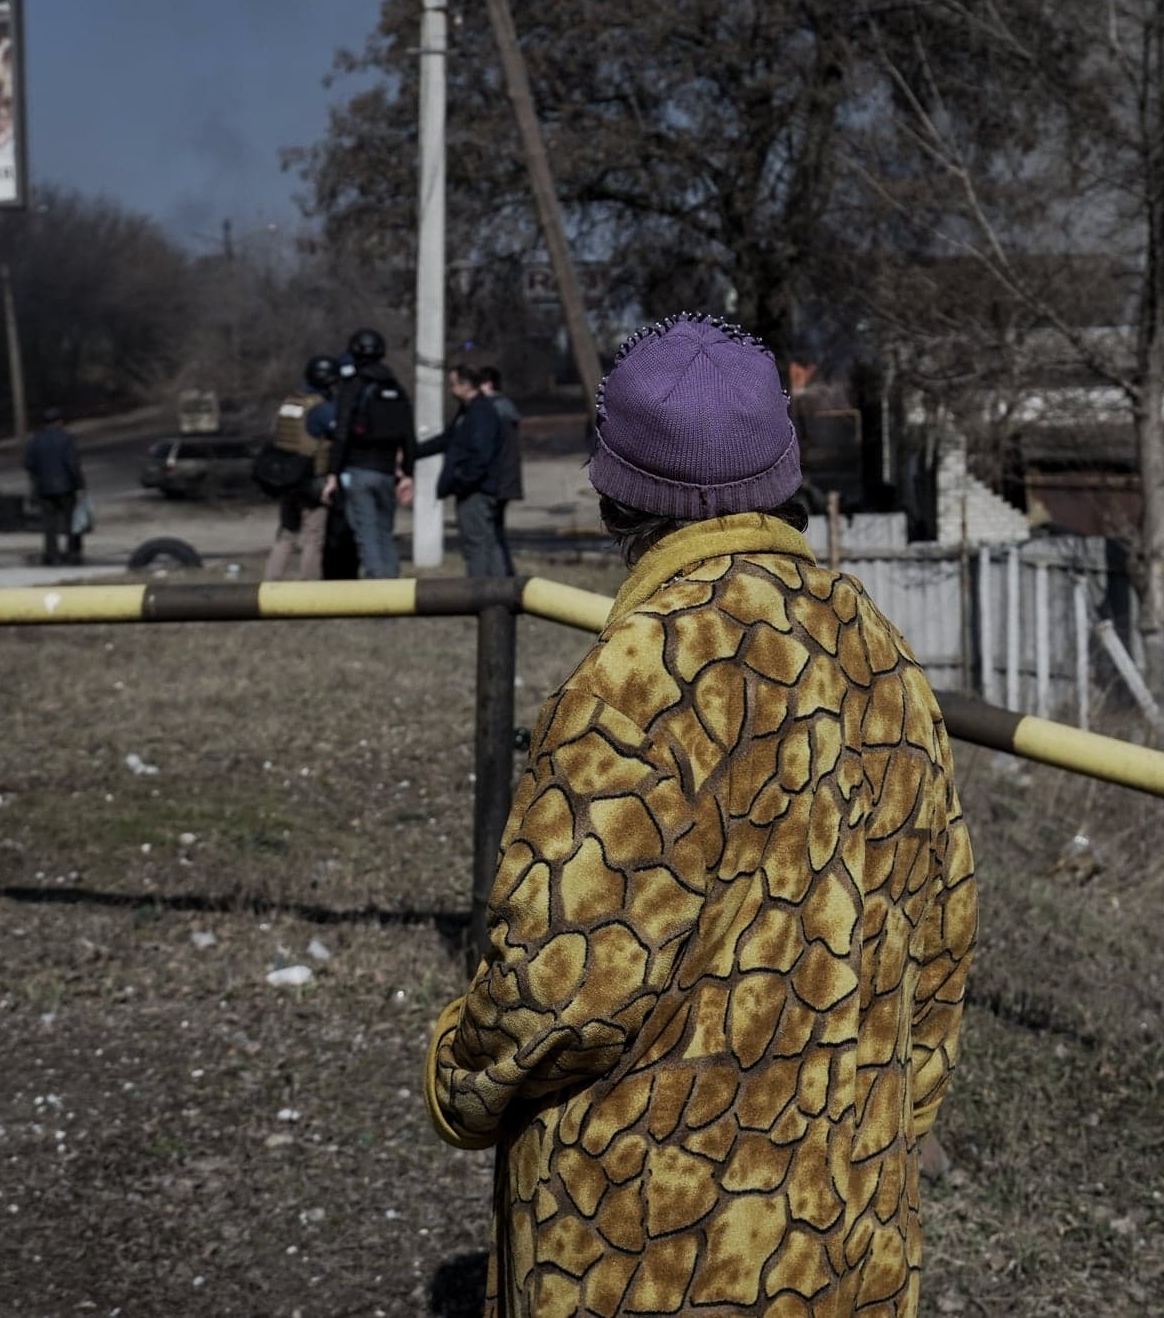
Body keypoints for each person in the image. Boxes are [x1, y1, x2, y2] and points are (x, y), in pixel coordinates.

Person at [424, 313, 977, 1317]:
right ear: (782, 471)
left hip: (647, 1245)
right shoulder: (879, 653)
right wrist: (884, 1125)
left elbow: (563, 983)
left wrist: (459, 1075)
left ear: (610, 491)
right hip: (841, 1228)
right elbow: (941, 940)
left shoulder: (643, 673)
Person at [321, 326, 414, 579]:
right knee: (385, 530)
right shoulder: (396, 388)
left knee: (366, 532)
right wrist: (407, 474)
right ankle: (393, 583)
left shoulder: (353, 387)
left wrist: (332, 473)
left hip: (358, 469)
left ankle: (378, 588)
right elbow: (408, 435)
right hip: (387, 471)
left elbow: (341, 433)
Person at [411, 364, 511, 577]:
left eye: (453, 384)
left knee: (477, 544)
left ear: (466, 386)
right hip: (474, 487)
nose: (450, 390)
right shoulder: (468, 411)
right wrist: (413, 452)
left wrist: (462, 480)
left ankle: (484, 594)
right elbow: (449, 439)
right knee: (486, 541)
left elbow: (481, 454)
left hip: (477, 490)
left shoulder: (481, 412)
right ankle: (497, 596)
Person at [263, 355, 339, 583]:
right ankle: (308, 588)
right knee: (313, 536)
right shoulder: (320, 408)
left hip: (286, 476)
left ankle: (271, 583)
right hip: (311, 478)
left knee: (286, 534)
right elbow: (340, 434)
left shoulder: (289, 402)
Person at [23, 407, 85, 565]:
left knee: (49, 524)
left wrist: (38, 477)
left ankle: (52, 554)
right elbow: (72, 463)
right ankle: (72, 552)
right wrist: (80, 484)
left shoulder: (35, 440)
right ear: (60, 421)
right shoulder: (66, 439)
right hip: (66, 487)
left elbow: (28, 463)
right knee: (71, 522)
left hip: (44, 488)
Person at [478, 365, 522, 576]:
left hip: (498, 480)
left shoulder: (492, 410)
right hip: (508, 479)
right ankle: (506, 573)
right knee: (497, 530)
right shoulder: (507, 408)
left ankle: (501, 578)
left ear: (487, 384)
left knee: (492, 532)